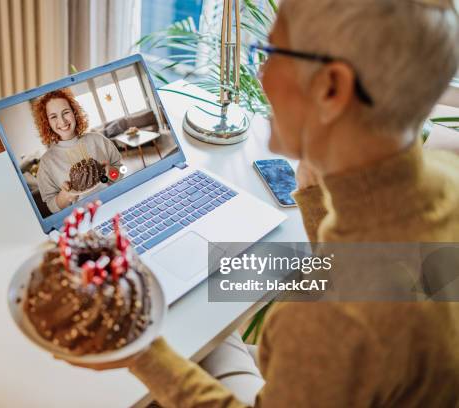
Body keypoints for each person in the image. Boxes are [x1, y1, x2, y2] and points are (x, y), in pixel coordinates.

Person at [64, 0, 459, 406]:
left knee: (187, 328)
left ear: (331, 88)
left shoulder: (332, 325)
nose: (260, 74)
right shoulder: (448, 179)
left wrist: (142, 351)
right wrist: (314, 195)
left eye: (270, 53)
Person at [32, 88, 123, 213]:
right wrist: (65, 196)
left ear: (74, 112)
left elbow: (122, 171)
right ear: (47, 122)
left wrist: (110, 172)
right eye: (53, 116)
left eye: (66, 112)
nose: (62, 121)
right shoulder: (47, 162)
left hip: (117, 203)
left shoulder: (98, 140)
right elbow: (52, 207)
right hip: (84, 217)